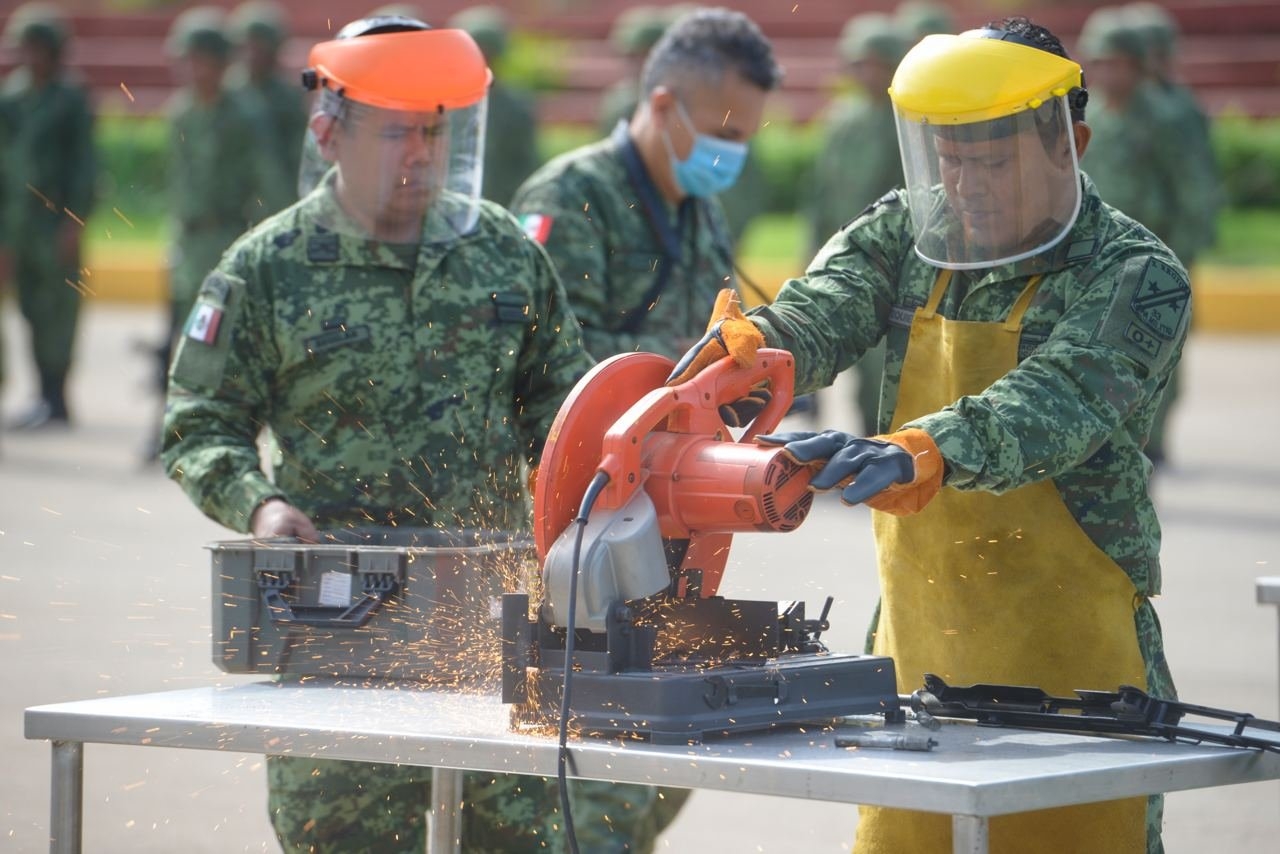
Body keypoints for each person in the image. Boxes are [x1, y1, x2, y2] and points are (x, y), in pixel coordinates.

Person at [161, 16, 681, 852]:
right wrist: (258, 507)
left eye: (438, 133)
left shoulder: (505, 256)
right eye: (399, 132)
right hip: (340, 633)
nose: (422, 156)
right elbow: (198, 423)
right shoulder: (269, 267)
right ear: (331, 132)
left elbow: (569, 421)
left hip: (497, 634)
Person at [670, 17, 1186, 853]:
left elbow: (1056, 401)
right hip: (923, 650)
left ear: (1070, 143)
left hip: (1081, 665)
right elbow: (824, 304)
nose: (966, 184)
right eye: (948, 157)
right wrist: (756, 355)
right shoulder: (908, 231)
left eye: (992, 160)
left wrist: (928, 449)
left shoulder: (1134, 273)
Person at [511, 6, 783, 364]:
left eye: (745, 139)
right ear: (664, 107)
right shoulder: (570, 197)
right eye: (724, 135)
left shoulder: (700, 206)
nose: (734, 153)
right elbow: (541, 352)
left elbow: (728, 330)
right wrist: (686, 359)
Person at [803, 12, 912, 434]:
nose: (866, 73)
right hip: (846, 256)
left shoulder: (908, 121)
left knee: (886, 369)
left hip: (896, 263)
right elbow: (820, 194)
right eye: (860, 63)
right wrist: (811, 249)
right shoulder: (841, 121)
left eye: (875, 63)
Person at [1, 2, 96, 430]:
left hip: (54, 223)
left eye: (40, 47)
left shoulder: (71, 97)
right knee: (28, 307)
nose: (32, 55)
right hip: (19, 224)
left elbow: (84, 165)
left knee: (58, 310)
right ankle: (41, 392)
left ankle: (56, 396)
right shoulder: (12, 98)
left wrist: (73, 221)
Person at [447, 5, 540, 207]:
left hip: (500, 207)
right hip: (450, 210)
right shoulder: (441, 102)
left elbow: (526, 166)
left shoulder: (516, 107)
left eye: (487, 53)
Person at [226, 0, 308, 211]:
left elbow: (299, 155)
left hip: (276, 201)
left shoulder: (289, 97)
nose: (253, 53)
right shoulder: (227, 92)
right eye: (248, 45)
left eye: (260, 46)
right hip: (230, 206)